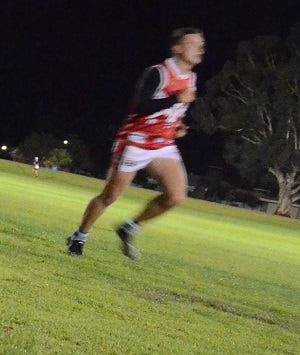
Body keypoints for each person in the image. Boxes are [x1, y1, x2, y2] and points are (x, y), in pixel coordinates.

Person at [66, 27, 205, 259]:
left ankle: (129, 228)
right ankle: (79, 236)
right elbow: (141, 106)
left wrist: (177, 126)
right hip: (136, 141)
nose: (200, 48)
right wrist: (175, 99)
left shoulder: (192, 77)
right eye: (193, 43)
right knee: (110, 196)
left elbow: (172, 111)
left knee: (176, 196)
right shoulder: (158, 72)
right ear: (178, 48)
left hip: (163, 144)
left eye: (202, 44)